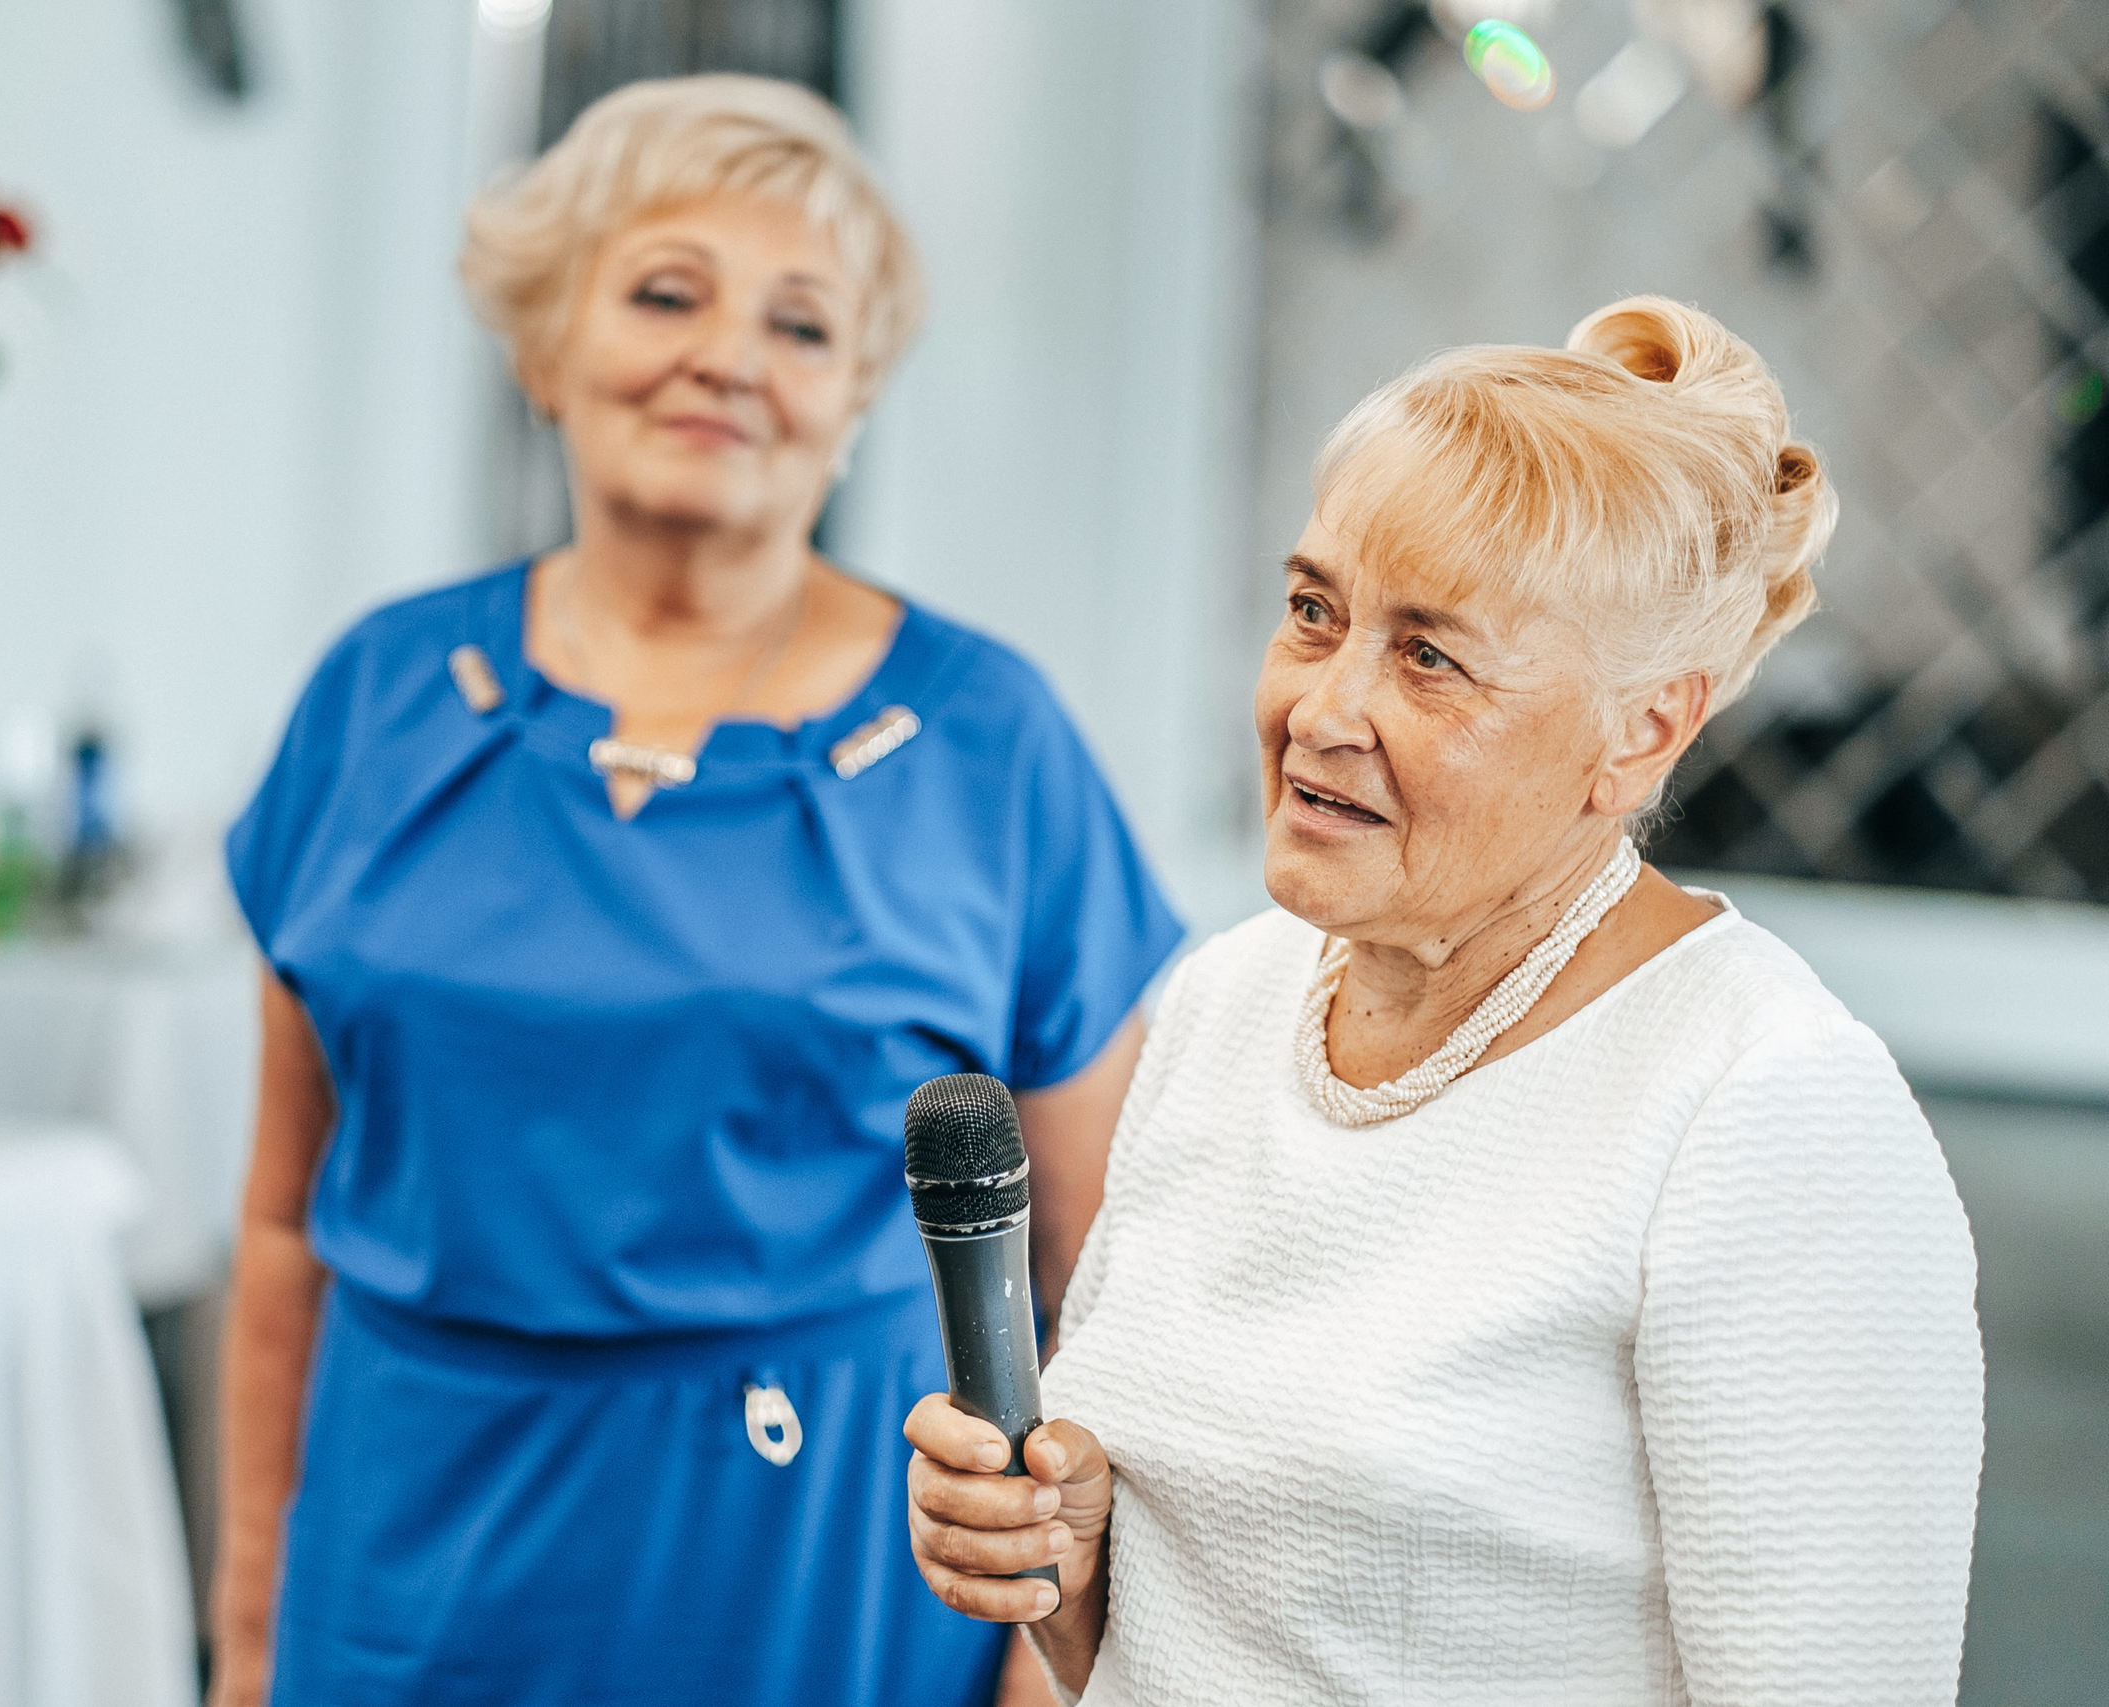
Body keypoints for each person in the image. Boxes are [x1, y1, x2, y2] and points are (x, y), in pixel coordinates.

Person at [211, 74, 1183, 1707]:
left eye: (801, 327)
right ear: (545, 344)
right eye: (667, 292)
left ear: (852, 403)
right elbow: (277, 1224)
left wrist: (1059, 1670)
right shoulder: (373, 700)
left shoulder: (990, 741)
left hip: (827, 1568)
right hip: (407, 1559)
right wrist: (245, 1634)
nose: (728, 354)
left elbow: (1110, 1269)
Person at [905, 296, 1985, 1705]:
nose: (1321, 707)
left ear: (1639, 730)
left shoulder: (1763, 1104)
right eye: (1314, 612)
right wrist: (1076, 1560)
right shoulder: (1235, 998)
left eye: (1429, 656)